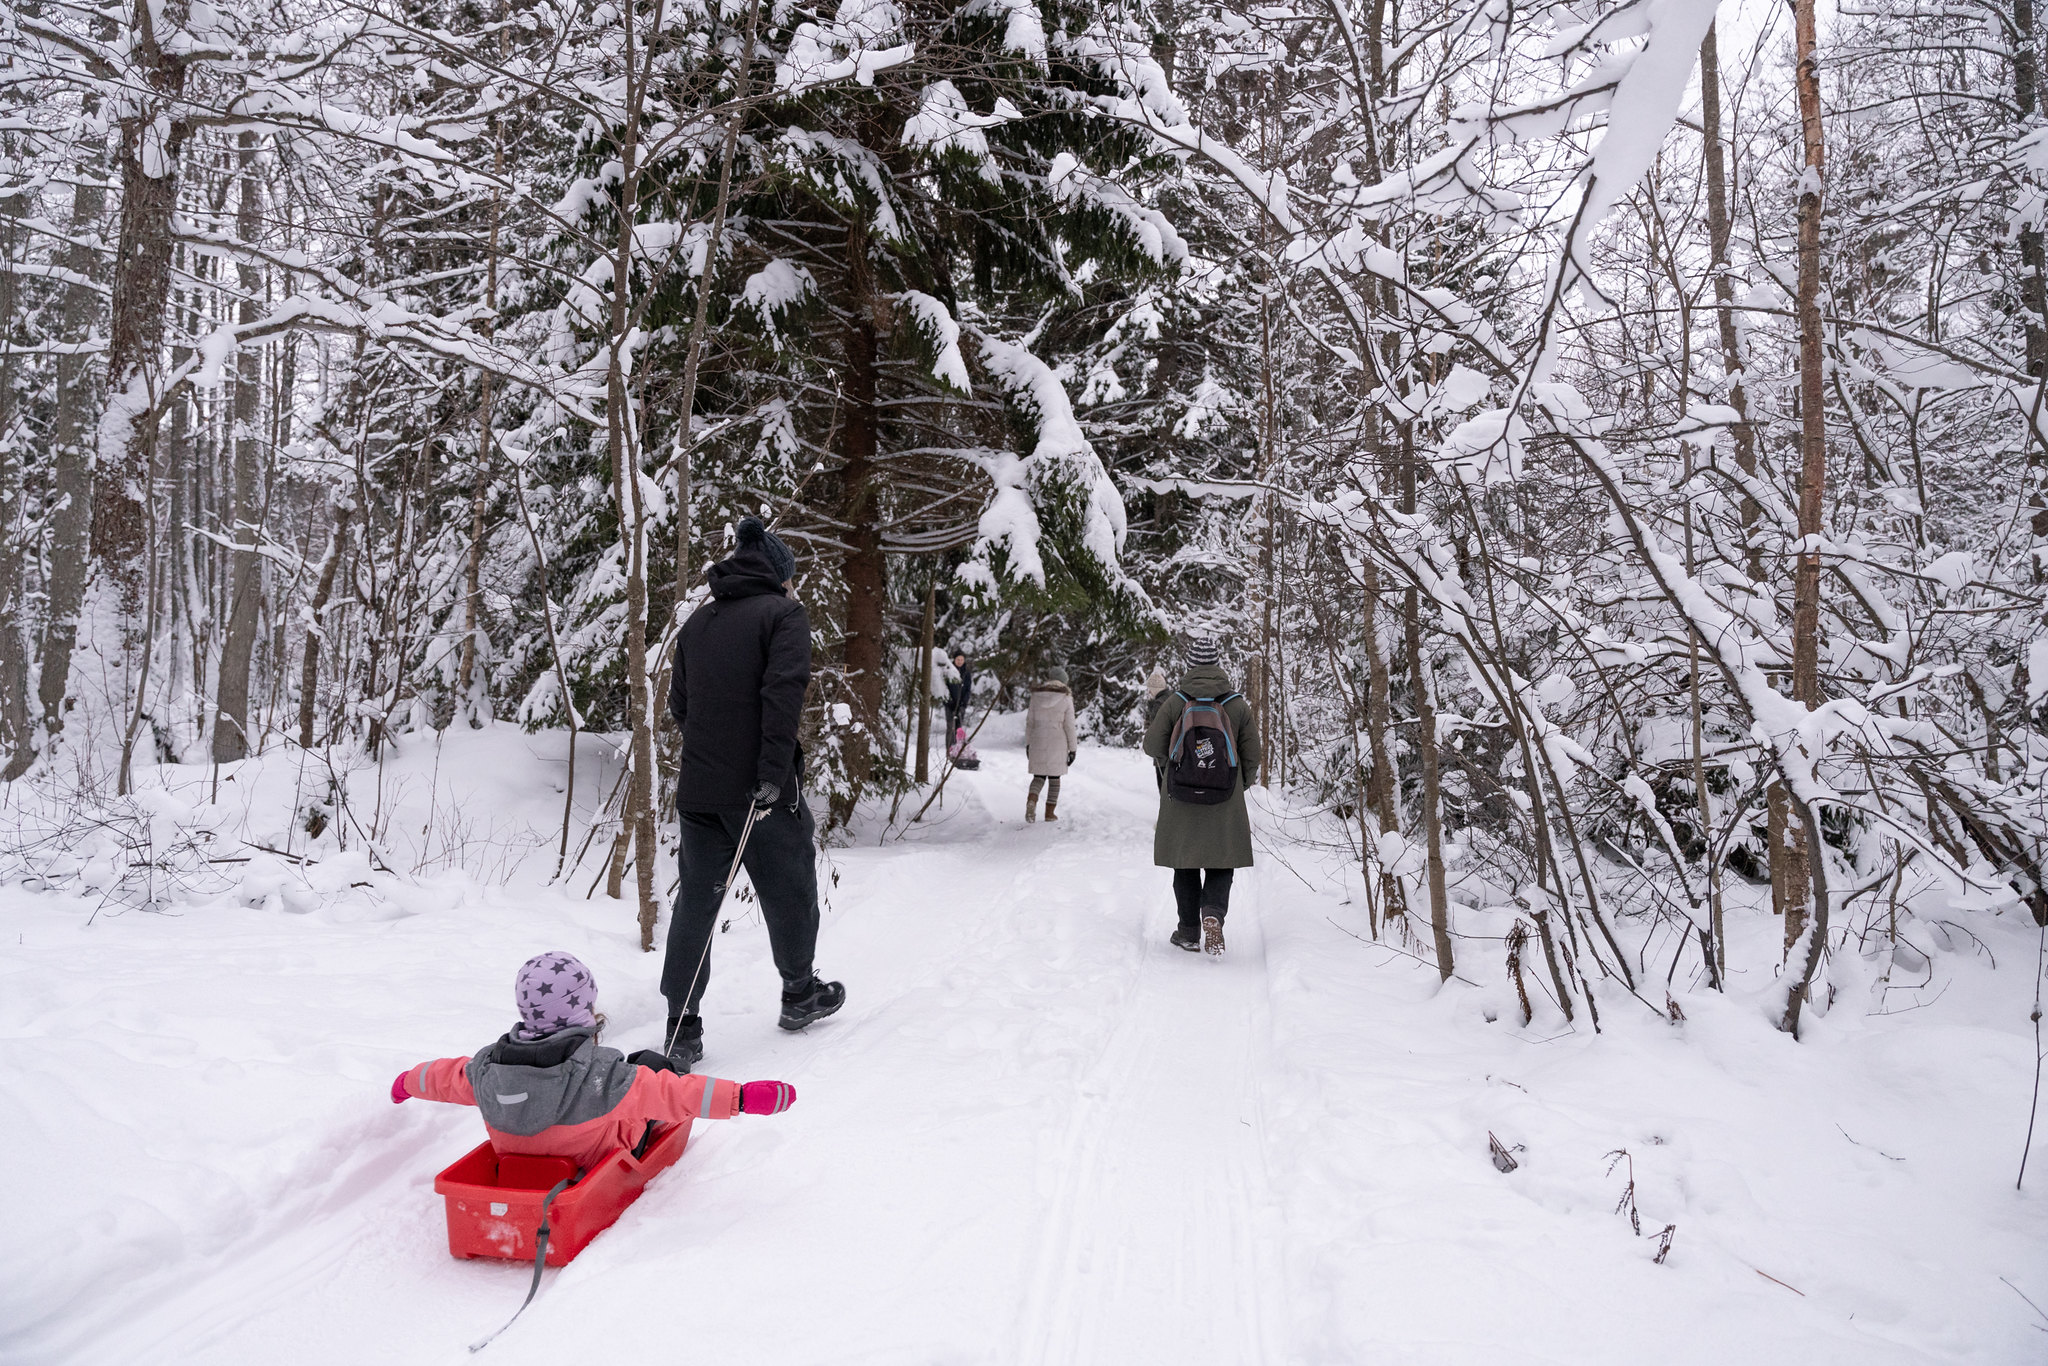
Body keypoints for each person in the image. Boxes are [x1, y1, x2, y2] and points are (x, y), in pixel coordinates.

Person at [661, 517, 843, 1071]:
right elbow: (782, 696)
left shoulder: (697, 622)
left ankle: (681, 1026)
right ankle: (798, 993)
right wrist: (769, 774)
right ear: (780, 576)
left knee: (696, 901)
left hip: (698, 789)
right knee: (789, 888)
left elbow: (680, 708)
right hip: (759, 791)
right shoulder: (784, 615)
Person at [390, 951, 795, 1171]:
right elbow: (677, 1094)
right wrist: (741, 1097)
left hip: (517, 1162)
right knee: (654, 1067)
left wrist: (408, 1081)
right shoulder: (604, 1077)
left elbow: (444, 1078)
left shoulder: (487, 1069)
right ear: (583, 1008)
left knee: (639, 1075)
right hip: (594, 1162)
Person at [1143, 638, 1260, 955]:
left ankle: (1188, 932)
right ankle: (1213, 914)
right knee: (1223, 861)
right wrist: (1240, 785)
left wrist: (1171, 768)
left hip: (1181, 795)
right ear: (1218, 664)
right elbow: (1253, 754)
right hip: (1225, 796)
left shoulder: (1176, 702)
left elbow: (1152, 746)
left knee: (1185, 863)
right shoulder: (1236, 704)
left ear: (1191, 665)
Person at [1024, 665, 1077, 822]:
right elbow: (1069, 726)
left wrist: (1028, 744)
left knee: (1038, 777)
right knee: (1054, 779)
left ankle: (1031, 802)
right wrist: (1073, 749)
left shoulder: (1036, 696)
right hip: (1057, 741)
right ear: (1063, 681)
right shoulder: (1066, 698)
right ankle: (1049, 813)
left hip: (1038, 739)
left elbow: (1029, 723)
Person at [945, 649, 974, 740]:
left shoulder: (966, 673)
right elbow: (945, 688)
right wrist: (950, 702)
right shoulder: (949, 672)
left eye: (962, 660)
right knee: (950, 727)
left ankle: (958, 748)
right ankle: (950, 749)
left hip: (961, 704)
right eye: (958, 659)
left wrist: (963, 703)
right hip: (950, 704)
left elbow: (968, 690)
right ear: (954, 660)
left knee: (959, 727)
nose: (960, 662)